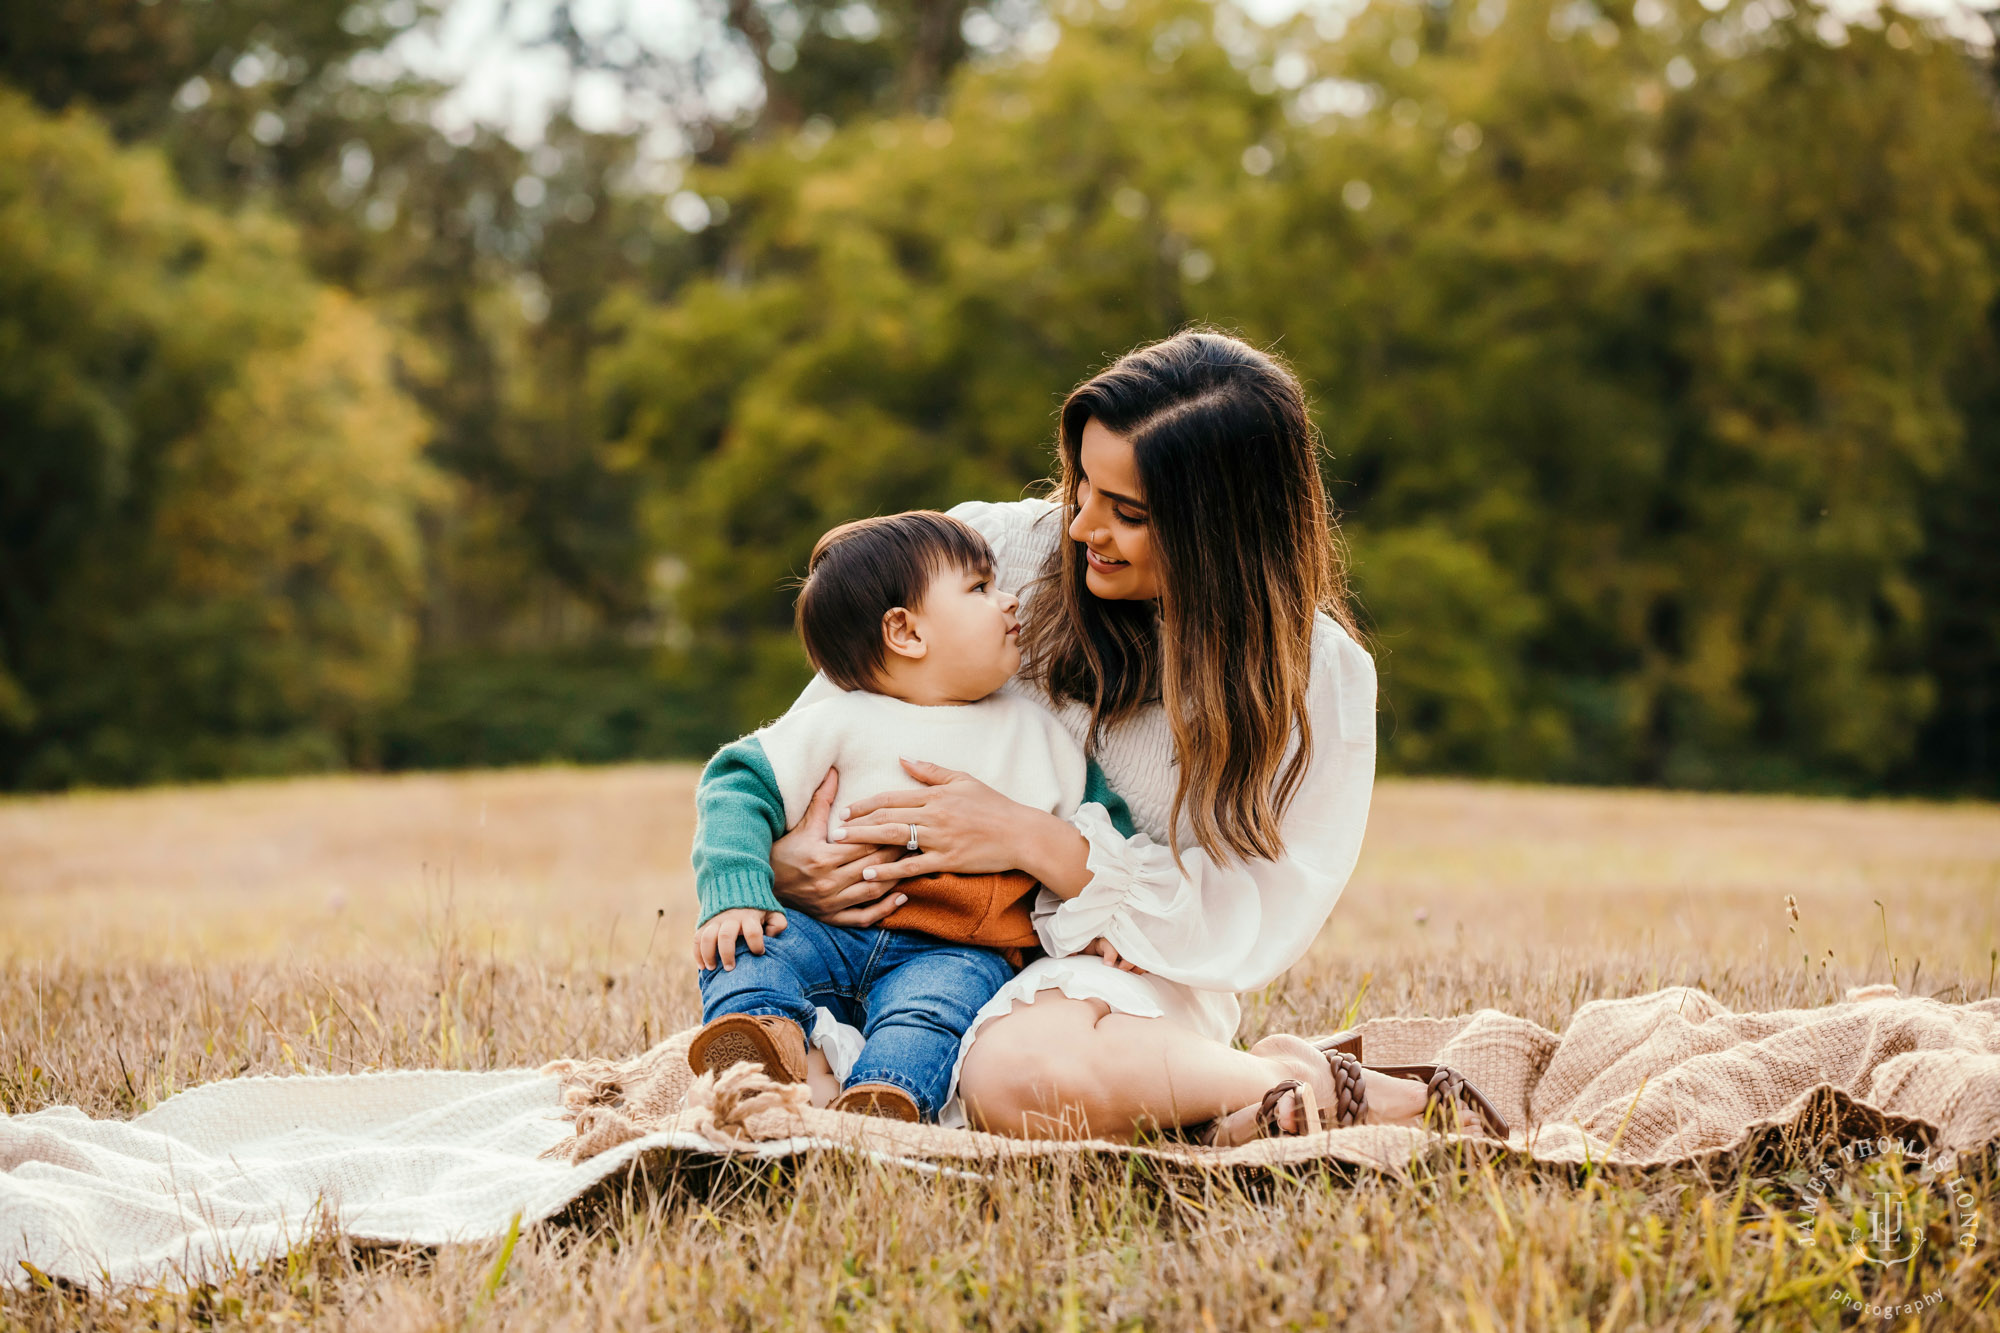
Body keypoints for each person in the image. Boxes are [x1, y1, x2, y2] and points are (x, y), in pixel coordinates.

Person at [763, 329, 1508, 1144]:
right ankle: (1219, 1105)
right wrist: (788, 863)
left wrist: (1031, 839)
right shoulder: (986, 554)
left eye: (1127, 513)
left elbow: (1246, 921)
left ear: (1222, 530)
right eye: (1082, 485)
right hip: (908, 943)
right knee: (777, 1072)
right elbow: (817, 735)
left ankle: (1298, 1083)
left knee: (1017, 1077)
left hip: (1121, 967)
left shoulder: (1315, 680)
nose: (1082, 527)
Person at [686, 510, 1139, 1124]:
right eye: (979, 589)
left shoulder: (1039, 735)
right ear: (905, 631)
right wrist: (737, 892)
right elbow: (736, 786)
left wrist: (1110, 919)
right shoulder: (837, 719)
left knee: (936, 1012)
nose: (1008, 601)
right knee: (745, 953)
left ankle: (885, 1096)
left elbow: (1104, 836)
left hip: (953, 949)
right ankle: (761, 1041)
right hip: (822, 928)